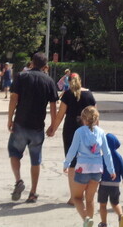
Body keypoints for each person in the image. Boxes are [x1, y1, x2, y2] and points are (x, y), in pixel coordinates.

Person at [7, 51, 59, 203]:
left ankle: (18, 181)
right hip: (37, 126)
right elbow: (53, 105)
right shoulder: (49, 81)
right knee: (36, 160)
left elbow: (13, 99)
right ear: (45, 65)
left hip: (21, 123)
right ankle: (33, 192)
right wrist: (53, 126)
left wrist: (10, 119)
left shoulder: (22, 77)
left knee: (14, 153)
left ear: (32, 62)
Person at [47, 72, 96, 203]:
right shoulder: (89, 95)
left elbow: (60, 114)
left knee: (73, 164)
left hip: (70, 131)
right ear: (80, 80)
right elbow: (95, 116)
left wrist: (53, 129)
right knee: (86, 161)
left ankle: (74, 196)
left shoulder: (68, 94)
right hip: (87, 131)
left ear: (68, 81)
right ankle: (85, 193)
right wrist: (96, 133)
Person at [63, 106, 115, 227]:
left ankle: (86, 219)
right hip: (97, 169)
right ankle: (89, 220)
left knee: (77, 198)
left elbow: (72, 150)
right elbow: (106, 153)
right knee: (90, 199)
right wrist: (111, 169)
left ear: (83, 119)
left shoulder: (79, 132)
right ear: (96, 119)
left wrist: (66, 163)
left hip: (83, 168)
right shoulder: (101, 132)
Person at [98, 132, 123, 227]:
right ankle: (121, 215)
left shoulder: (103, 157)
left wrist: (96, 179)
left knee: (103, 205)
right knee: (115, 203)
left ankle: (103, 223)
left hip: (104, 184)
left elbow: (99, 170)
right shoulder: (118, 157)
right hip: (115, 185)